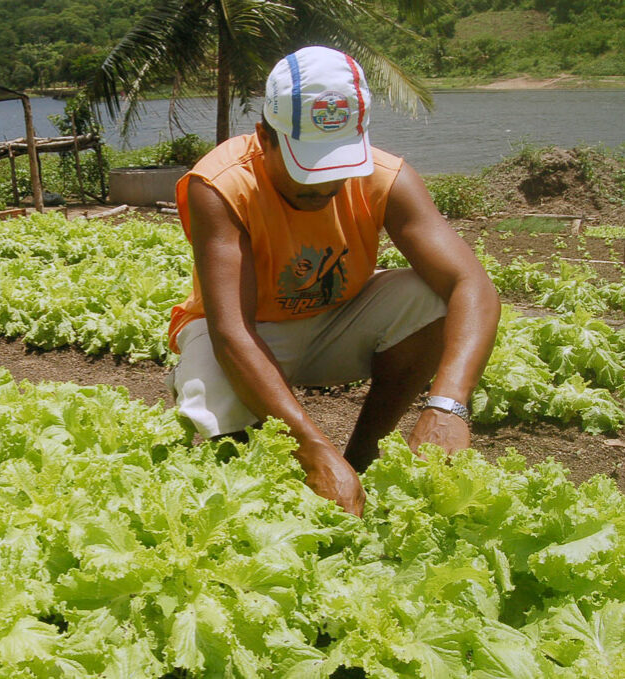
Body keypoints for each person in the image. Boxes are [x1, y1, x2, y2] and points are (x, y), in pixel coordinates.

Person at [166, 46, 501, 516]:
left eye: (338, 167)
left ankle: (362, 458)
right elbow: (232, 332)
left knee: (431, 298)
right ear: (264, 137)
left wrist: (448, 405)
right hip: (248, 336)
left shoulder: (387, 178)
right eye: (307, 167)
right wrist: (314, 449)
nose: (324, 186)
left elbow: (472, 286)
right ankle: (264, 484)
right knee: (215, 389)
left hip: (337, 323)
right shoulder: (221, 185)